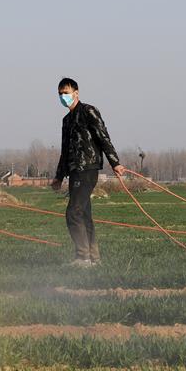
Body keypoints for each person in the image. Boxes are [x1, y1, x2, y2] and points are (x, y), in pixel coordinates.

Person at [51, 78, 126, 267]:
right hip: (74, 171)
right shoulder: (66, 121)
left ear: (76, 93)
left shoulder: (88, 111)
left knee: (73, 212)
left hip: (88, 169)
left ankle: (82, 257)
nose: (63, 96)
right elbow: (65, 150)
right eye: (60, 93)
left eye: (66, 92)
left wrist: (115, 162)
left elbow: (103, 137)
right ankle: (94, 258)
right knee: (84, 215)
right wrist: (59, 176)